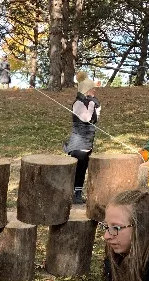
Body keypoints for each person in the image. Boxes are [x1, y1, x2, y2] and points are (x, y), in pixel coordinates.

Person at [64, 72, 101, 204]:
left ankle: (77, 194)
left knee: (83, 169)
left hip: (87, 142)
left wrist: (96, 105)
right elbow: (86, 118)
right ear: (86, 90)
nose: (95, 90)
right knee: (78, 169)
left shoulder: (88, 101)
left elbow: (95, 118)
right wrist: (91, 104)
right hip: (79, 143)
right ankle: (74, 195)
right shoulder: (78, 103)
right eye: (92, 88)